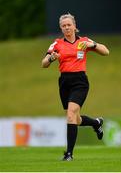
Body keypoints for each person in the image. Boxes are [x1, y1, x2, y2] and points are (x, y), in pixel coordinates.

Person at [42, 13, 109, 161]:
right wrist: (51, 58)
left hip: (80, 82)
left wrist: (94, 45)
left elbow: (106, 51)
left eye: (69, 25)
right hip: (64, 82)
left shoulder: (84, 41)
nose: (67, 28)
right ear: (61, 28)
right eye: (64, 26)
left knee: (71, 114)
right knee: (75, 118)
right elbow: (44, 63)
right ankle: (96, 123)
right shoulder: (57, 44)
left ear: (74, 26)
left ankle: (69, 154)